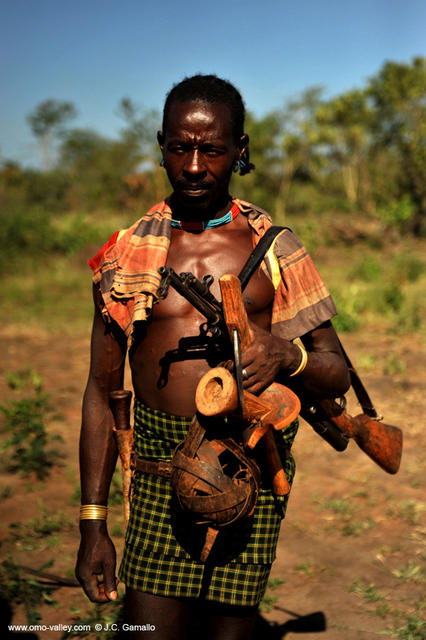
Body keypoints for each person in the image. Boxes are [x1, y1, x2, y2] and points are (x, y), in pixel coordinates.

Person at [76, 74, 350, 639]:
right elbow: (102, 391)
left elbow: (334, 370)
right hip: (154, 470)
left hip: (249, 464)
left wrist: (285, 357)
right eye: (180, 147)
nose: (195, 165)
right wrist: (93, 523)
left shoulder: (276, 248)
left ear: (240, 151)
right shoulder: (128, 254)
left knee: (231, 630)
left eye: (212, 149)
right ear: (162, 145)